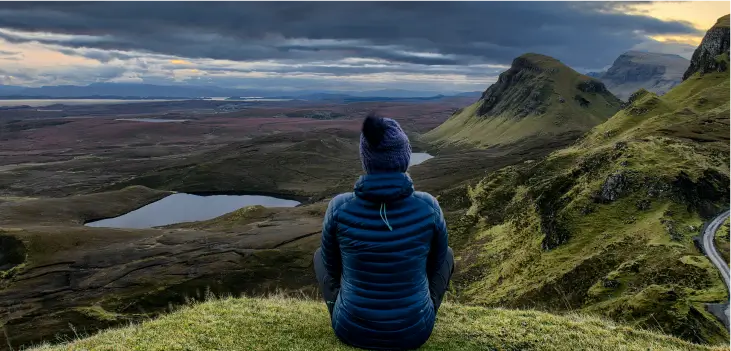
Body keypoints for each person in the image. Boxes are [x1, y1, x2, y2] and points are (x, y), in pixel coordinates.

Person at [313, 114, 454, 350]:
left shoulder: (339, 206)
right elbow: (436, 262)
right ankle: (417, 310)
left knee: (320, 256)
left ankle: (346, 309)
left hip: (350, 329)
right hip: (415, 331)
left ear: (366, 160)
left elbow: (332, 266)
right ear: (404, 158)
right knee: (447, 255)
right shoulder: (428, 206)